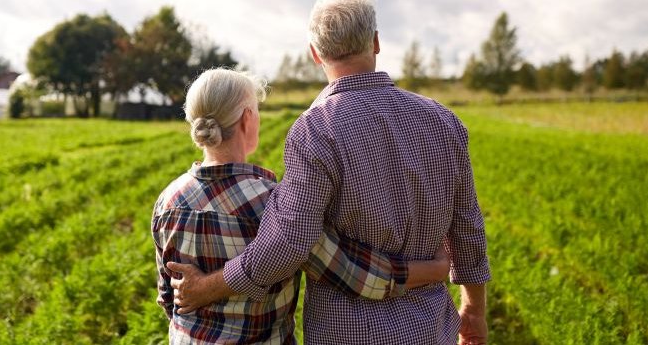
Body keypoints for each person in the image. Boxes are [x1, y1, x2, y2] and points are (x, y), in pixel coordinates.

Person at [169, 0, 491, 345]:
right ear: (377, 42)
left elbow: (288, 243)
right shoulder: (444, 122)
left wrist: (206, 287)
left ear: (315, 54)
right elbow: (468, 226)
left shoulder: (315, 130)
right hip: (432, 328)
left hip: (348, 333)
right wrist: (473, 309)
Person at [154, 68, 451, 344]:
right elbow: (353, 273)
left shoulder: (167, 201)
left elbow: (169, 298)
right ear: (247, 119)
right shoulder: (275, 204)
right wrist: (432, 269)